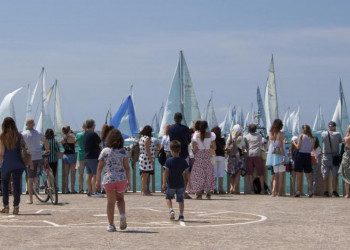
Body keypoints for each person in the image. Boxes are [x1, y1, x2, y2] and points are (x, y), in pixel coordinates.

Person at [96, 129, 130, 232]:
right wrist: (129, 180)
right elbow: (127, 167)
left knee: (110, 202)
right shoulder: (123, 151)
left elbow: (100, 167)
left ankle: (111, 224)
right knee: (120, 199)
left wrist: (97, 180)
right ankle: (122, 215)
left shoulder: (105, 151)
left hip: (109, 179)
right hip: (121, 179)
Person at [0, 117, 26, 215]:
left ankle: (6, 206)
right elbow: (23, 149)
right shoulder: (19, 135)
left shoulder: (2, 136)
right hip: (18, 163)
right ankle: (16, 207)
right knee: (16, 186)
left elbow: (2, 153)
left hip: (7, 164)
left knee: (5, 185)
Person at [162, 140, 191, 221]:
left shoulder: (168, 161)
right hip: (180, 183)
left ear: (171, 150)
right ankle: (181, 215)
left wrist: (164, 182)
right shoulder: (183, 161)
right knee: (180, 200)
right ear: (180, 150)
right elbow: (187, 172)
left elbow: (165, 172)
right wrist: (190, 182)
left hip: (171, 183)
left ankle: (171, 210)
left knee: (168, 197)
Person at [22, 118, 49, 204]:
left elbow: (21, 146)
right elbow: (45, 141)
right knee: (45, 169)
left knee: (30, 178)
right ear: (33, 124)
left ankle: (30, 199)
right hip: (40, 156)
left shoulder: (24, 134)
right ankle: (46, 182)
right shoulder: (38, 133)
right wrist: (47, 150)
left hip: (31, 158)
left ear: (26, 125)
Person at [188, 121, 216, 199]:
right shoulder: (211, 135)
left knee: (198, 174)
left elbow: (194, 148)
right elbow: (215, 147)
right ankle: (208, 193)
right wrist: (210, 146)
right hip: (208, 155)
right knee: (209, 174)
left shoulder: (195, 136)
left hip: (199, 155)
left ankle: (199, 193)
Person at [168, 112, 191, 198]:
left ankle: (172, 191)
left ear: (174, 119)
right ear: (181, 119)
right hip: (184, 152)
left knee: (173, 173)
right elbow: (189, 140)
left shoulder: (171, 129)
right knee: (185, 172)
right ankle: (184, 192)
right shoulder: (185, 128)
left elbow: (171, 140)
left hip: (173, 152)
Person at [292, 124, 315, 197]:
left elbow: (298, 147)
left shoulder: (301, 136)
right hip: (308, 156)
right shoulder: (313, 138)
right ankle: (310, 191)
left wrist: (293, 143)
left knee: (299, 174)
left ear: (303, 130)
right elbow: (311, 149)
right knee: (308, 175)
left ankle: (298, 191)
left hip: (301, 155)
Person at [321, 121, 342, 197]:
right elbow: (340, 141)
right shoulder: (338, 134)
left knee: (325, 175)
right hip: (335, 157)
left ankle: (325, 191)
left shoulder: (323, 133)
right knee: (335, 175)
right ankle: (334, 191)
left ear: (328, 126)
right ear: (335, 127)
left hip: (325, 156)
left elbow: (322, 141)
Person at [265, 119, 285, 197]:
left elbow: (270, 143)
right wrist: (283, 156)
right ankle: (279, 192)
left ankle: (273, 190)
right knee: (281, 174)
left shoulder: (270, 133)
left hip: (272, 154)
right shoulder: (280, 134)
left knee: (275, 174)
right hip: (279, 154)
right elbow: (280, 145)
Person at [244, 123, 265, 194]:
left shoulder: (246, 137)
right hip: (257, 154)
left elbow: (246, 146)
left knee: (250, 173)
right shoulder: (259, 136)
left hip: (249, 155)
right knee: (261, 173)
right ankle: (262, 189)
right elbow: (261, 143)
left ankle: (252, 189)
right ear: (255, 129)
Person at [84, 119, 103, 197]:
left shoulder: (85, 134)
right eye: (94, 125)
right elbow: (99, 141)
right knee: (95, 174)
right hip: (93, 156)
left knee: (89, 174)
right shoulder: (93, 134)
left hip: (87, 156)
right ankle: (94, 192)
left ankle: (89, 191)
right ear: (92, 126)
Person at [225, 124, 245, 194]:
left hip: (230, 158)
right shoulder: (240, 138)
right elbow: (243, 149)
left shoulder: (229, 138)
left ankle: (231, 187)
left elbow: (226, 148)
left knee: (232, 174)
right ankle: (235, 189)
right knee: (237, 173)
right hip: (238, 158)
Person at [138, 125, 157, 195]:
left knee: (143, 175)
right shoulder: (147, 139)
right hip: (146, 159)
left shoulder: (141, 138)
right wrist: (151, 160)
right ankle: (144, 191)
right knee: (145, 175)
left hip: (142, 157)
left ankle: (143, 190)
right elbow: (147, 150)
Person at [60, 126, 77, 194]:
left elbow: (65, 144)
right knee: (73, 174)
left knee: (66, 174)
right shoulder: (72, 138)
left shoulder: (62, 139)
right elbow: (77, 140)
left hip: (65, 156)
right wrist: (74, 133)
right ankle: (72, 189)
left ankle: (66, 189)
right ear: (69, 130)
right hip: (72, 156)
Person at [211, 126, 226, 194]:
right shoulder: (222, 139)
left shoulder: (212, 140)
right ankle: (221, 189)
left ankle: (214, 188)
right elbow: (224, 148)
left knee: (214, 173)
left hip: (213, 157)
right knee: (221, 173)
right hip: (221, 157)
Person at [75, 122, 87, 194]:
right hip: (88, 156)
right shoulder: (89, 134)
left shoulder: (79, 134)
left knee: (80, 174)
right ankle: (89, 188)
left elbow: (75, 142)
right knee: (90, 173)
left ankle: (81, 188)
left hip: (80, 156)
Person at [339, 125, 350, 198]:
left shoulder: (346, 138)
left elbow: (344, 144)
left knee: (346, 176)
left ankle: (347, 194)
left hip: (347, 158)